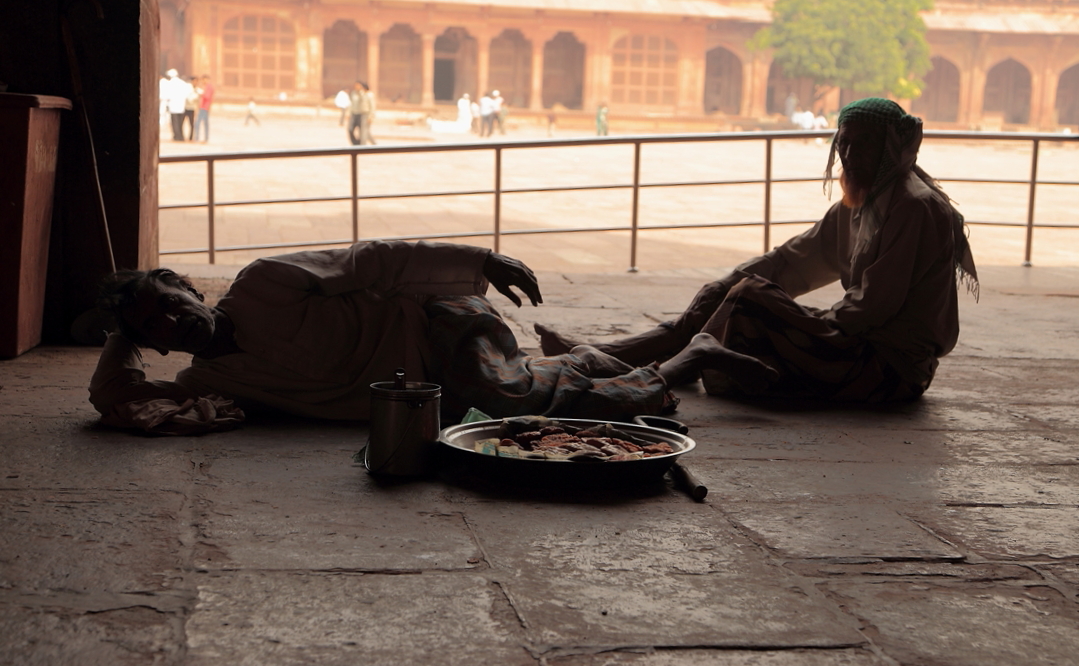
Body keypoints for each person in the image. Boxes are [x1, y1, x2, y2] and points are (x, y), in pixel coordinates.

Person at [536, 98, 979, 403]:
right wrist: (727, 285)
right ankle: (608, 355)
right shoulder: (863, 202)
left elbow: (871, 309)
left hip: (889, 368)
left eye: (861, 143)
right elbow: (793, 260)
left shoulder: (915, 208)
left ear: (891, 147)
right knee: (732, 293)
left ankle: (636, 365)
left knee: (749, 301)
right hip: (856, 346)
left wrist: (774, 312)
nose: (847, 153)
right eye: (843, 141)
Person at [88, 242, 696, 434]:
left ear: (191, 289)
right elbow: (115, 397)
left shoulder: (263, 284)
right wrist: (122, 334)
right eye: (154, 327)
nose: (174, 321)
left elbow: (375, 260)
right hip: (427, 387)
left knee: (503, 400)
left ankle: (680, 365)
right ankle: (582, 359)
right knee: (487, 423)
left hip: (442, 322)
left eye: (171, 303)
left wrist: (483, 260)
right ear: (153, 346)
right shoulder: (208, 383)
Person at [162, 69, 189, 141]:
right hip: (181, 106)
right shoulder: (183, 83)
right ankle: (181, 136)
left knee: (175, 123)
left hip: (173, 106)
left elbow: (166, 95)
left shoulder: (169, 84)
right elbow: (187, 94)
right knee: (180, 123)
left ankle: (176, 136)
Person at [193, 75, 214, 142]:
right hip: (203, 107)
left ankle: (197, 137)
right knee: (205, 123)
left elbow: (207, 96)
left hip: (204, 107)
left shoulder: (209, 87)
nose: (204, 81)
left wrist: (201, 93)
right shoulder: (204, 87)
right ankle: (205, 138)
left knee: (198, 122)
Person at [183, 76, 200, 140]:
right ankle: (181, 136)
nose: (195, 82)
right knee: (182, 123)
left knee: (191, 124)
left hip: (192, 108)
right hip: (186, 107)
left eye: (196, 81)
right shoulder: (188, 88)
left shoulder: (197, 90)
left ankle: (191, 137)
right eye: (194, 81)